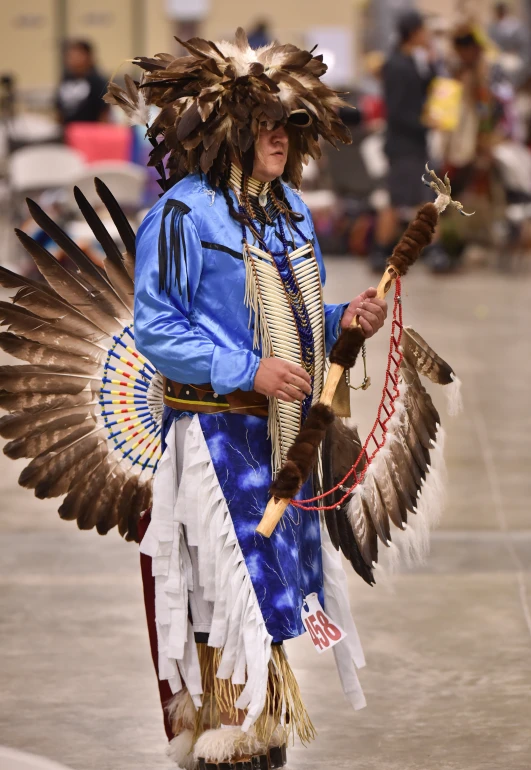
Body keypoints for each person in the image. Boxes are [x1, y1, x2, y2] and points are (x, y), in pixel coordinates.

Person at [106, 28, 387, 769]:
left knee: (274, 580)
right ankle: (220, 730)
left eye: (291, 125)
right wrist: (247, 369)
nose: (281, 138)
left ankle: (261, 724)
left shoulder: (289, 210)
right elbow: (157, 328)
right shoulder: (183, 215)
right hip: (214, 434)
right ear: (229, 130)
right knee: (218, 579)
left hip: (281, 433)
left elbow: (297, 319)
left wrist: (340, 323)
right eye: (267, 124)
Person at [370, 10, 452, 272]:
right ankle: (383, 251)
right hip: (403, 145)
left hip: (414, 144)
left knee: (419, 198)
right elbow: (395, 111)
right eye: (424, 31)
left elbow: (428, 89)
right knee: (400, 200)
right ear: (414, 32)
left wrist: (432, 61)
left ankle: (427, 252)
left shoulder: (411, 61)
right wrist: (424, 123)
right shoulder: (395, 64)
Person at [56, 40, 109, 124]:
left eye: (76, 55)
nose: (71, 60)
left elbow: (104, 112)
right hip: (69, 130)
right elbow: (59, 108)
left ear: (88, 56)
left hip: (89, 131)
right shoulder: (66, 79)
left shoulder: (97, 81)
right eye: (69, 56)